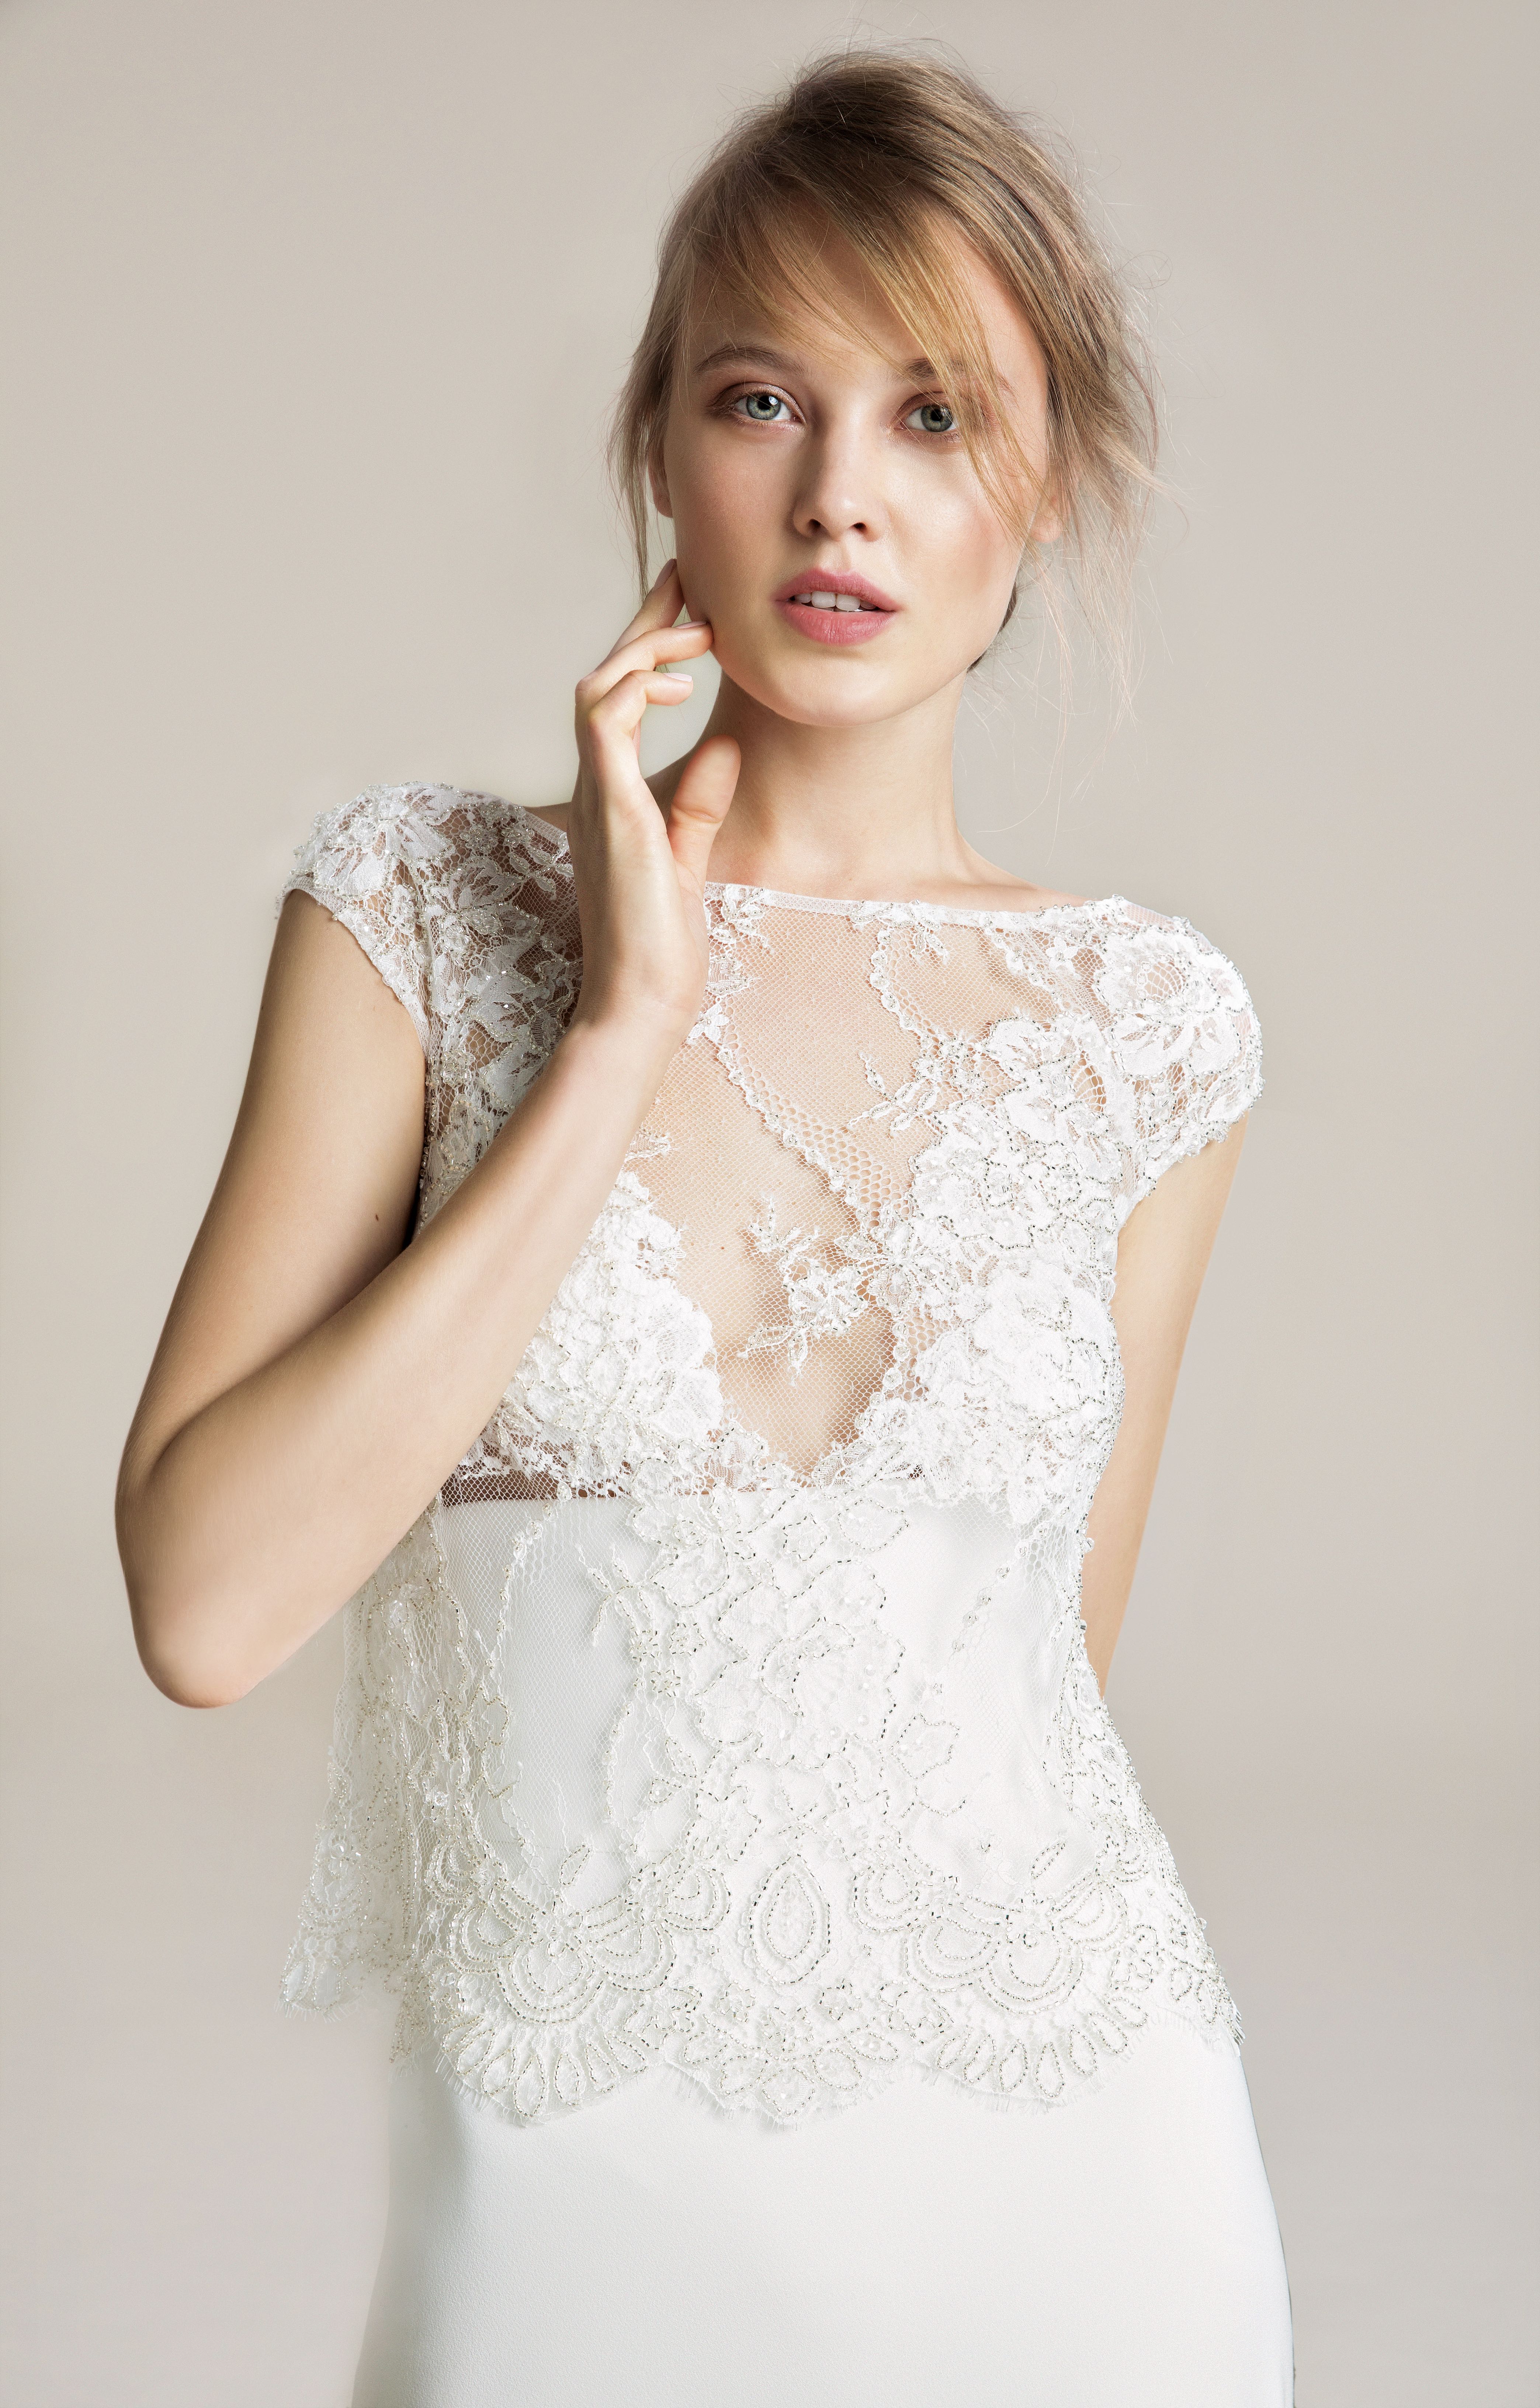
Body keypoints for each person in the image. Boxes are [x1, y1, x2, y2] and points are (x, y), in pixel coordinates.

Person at [117, 45, 1293, 2408]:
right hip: (570, 2225)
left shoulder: (1147, 1031)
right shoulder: (421, 916)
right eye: (766, 399)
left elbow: (1039, 1677)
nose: (842, 490)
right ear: (661, 444)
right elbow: (207, 1608)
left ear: (1048, 483)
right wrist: (619, 1035)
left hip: (1082, 2201)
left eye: (938, 416)